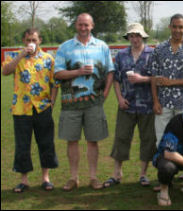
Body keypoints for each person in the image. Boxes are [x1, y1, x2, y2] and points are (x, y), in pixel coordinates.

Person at [54, 13, 115, 191]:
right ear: (76, 25)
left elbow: (110, 71)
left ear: (92, 25)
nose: (83, 28)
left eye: (86, 25)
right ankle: (73, 178)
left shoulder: (102, 46)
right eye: (80, 25)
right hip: (70, 103)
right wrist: (78, 72)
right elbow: (57, 73)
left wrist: (106, 92)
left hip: (94, 103)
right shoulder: (64, 47)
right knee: (71, 141)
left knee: (93, 141)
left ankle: (93, 177)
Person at [2, 28, 59, 193]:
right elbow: (5, 71)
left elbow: (55, 83)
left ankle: (46, 178)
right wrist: (21, 55)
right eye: (28, 40)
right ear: (23, 40)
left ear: (39, 40)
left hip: (43, 108)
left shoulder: (48, 59)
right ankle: (24, 180)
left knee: (46, 143)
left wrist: (52, 101)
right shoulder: (14, 56)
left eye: (34, 40)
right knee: (22, 145)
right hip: (21, 108)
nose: (31, 43)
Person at [103, 23, 156, 188]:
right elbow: (116, 79)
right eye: (132, 36)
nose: (135, 39)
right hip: (126, 104)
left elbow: (157, 78)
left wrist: (143, 79)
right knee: (121, 137)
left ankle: (143, 174)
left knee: (147, 139)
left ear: (143, 37)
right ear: (128, 37)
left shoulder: (152, 53)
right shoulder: (121, 55)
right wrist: (119, 98)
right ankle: (117, 173)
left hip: (147, 105)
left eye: (138, 35)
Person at [150, 13, 183, 149]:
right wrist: (155, 101)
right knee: (161, 140)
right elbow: (153, 77)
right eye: (174, 27)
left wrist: (172, 82)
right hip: (163, 103)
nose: (177, 30)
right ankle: (164, 169)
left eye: (180, 27)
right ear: (170, 27)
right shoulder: (159, 50)